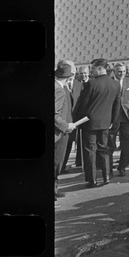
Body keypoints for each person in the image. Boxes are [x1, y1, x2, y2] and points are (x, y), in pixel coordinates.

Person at [73, 58, 121, 188]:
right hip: (106, 123)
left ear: (99, 68)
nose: (91, 70)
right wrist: (112, 121)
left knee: (90, 150)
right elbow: (117, 105)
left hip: (89, 123)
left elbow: (82, 104)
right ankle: (106, 177)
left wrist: (76, 120)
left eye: (93, 68)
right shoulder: (115, 84)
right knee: (103, 149)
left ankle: (92, 179)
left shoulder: (91, 84)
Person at [54, 60, 77, 200]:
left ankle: (54, 189)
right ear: (70, 76)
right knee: (56, 162)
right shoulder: (59, 89)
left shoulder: (58, 86)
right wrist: (66, 126)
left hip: (60, 132)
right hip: (58, 133)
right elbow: (54, 113)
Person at [110, 61, 129, 177]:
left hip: (126, 116)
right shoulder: (109, 82)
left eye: (124, 71)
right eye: (119, 71)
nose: (122, 74)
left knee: (127, 143)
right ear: (114, 71)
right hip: (112, 117)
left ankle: (122, 166)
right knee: (110, 143)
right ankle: (108, 167)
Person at [60, 66, 84, 174]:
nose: (72, 75)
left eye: (74, 73)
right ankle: (60, 166)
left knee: (70, 144)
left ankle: (63, 165)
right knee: (62, 145)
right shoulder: (61, 85)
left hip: (75, 120)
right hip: (63, 120)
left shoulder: (79, 85)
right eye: (71, 73)